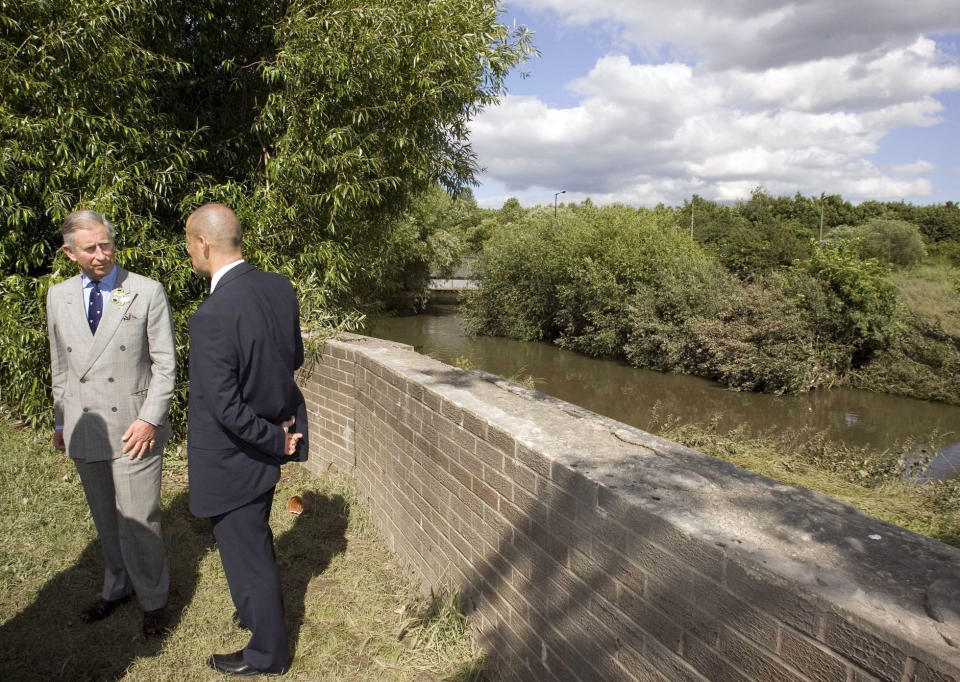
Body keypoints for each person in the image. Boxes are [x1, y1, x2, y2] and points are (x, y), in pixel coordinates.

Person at [184, 203, 308, 676]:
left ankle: (267, 653)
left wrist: (275, 442)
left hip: (235, 455)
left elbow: (225, 407)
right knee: (254, 541)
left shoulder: (212, 314)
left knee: (246, 553)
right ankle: (260, 614)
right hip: (268, 440)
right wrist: (276, 427)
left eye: (189, 246)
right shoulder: (278, 287)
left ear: (204, 244)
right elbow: (290, 358)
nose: (190, 254)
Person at [46, 209, 175, 637]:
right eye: (90, 248)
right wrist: (62, 421)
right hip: (86, 426)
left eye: (106, 245)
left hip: (133, 427)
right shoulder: (58, 296)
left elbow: (165, 366)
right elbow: (61, 366)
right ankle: (117, 587)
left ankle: (154, 598)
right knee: (105, 517)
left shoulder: (143, 290)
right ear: (69, 253)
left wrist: (148, 420)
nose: (101, 255)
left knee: (140, 518)